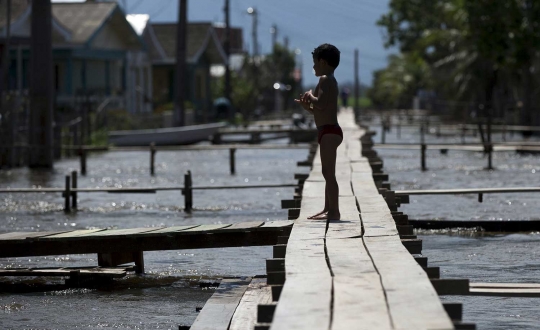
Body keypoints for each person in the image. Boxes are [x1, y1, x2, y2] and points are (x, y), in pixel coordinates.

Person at [294, 43, 343, 220]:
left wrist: (309, 96)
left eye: (315, 62)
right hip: (329, 131)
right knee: (327, 172)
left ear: (322, 62)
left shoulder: (324, 79)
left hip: (329, 132)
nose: (313, 66)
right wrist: (308, 107)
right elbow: (320, 109)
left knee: (328, 173)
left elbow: (320, 103)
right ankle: (327, 208)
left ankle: (334, 211)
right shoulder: (330, 80)